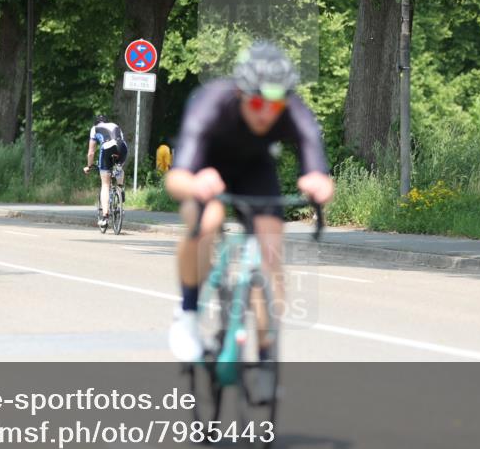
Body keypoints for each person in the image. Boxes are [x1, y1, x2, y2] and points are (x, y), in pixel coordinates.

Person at [164, 41, 334, 361]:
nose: (267, 114)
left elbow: (315, 163)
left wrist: (319, 181)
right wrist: (194, 183)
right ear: (241, 93)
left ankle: (267, 353)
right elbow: (175, 179)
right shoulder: (212, 103)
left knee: (271, 253)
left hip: (255, 169)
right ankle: (186, 314)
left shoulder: (290, 107)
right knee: (207, 222)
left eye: (276, 106)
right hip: (207, 169)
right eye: (258, 104)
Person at [83, 114, 128, 229]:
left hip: (107, 147)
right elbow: (122, 140)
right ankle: (120, 188)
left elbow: (91, 152)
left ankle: (105, 216)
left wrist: (89, 166)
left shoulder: (95, 129)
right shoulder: (115, 125)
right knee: (119, 167)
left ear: (96, 123)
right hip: (122, 147)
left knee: (105, 184)